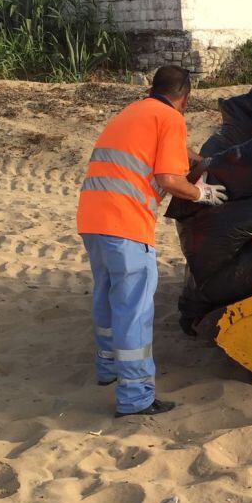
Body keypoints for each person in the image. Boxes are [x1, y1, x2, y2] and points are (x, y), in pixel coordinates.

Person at [76, 66, 227, 417]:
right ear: (185, 98)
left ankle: (107, 369)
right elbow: (169, 179)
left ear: (152, 88)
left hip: (92, 220)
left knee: (107, 296)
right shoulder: (171, 119)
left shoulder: (133, 113)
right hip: (126, 225)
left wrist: (196, 159)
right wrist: (201, 193)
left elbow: (160, 153)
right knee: (134, 309)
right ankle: (135, 397)